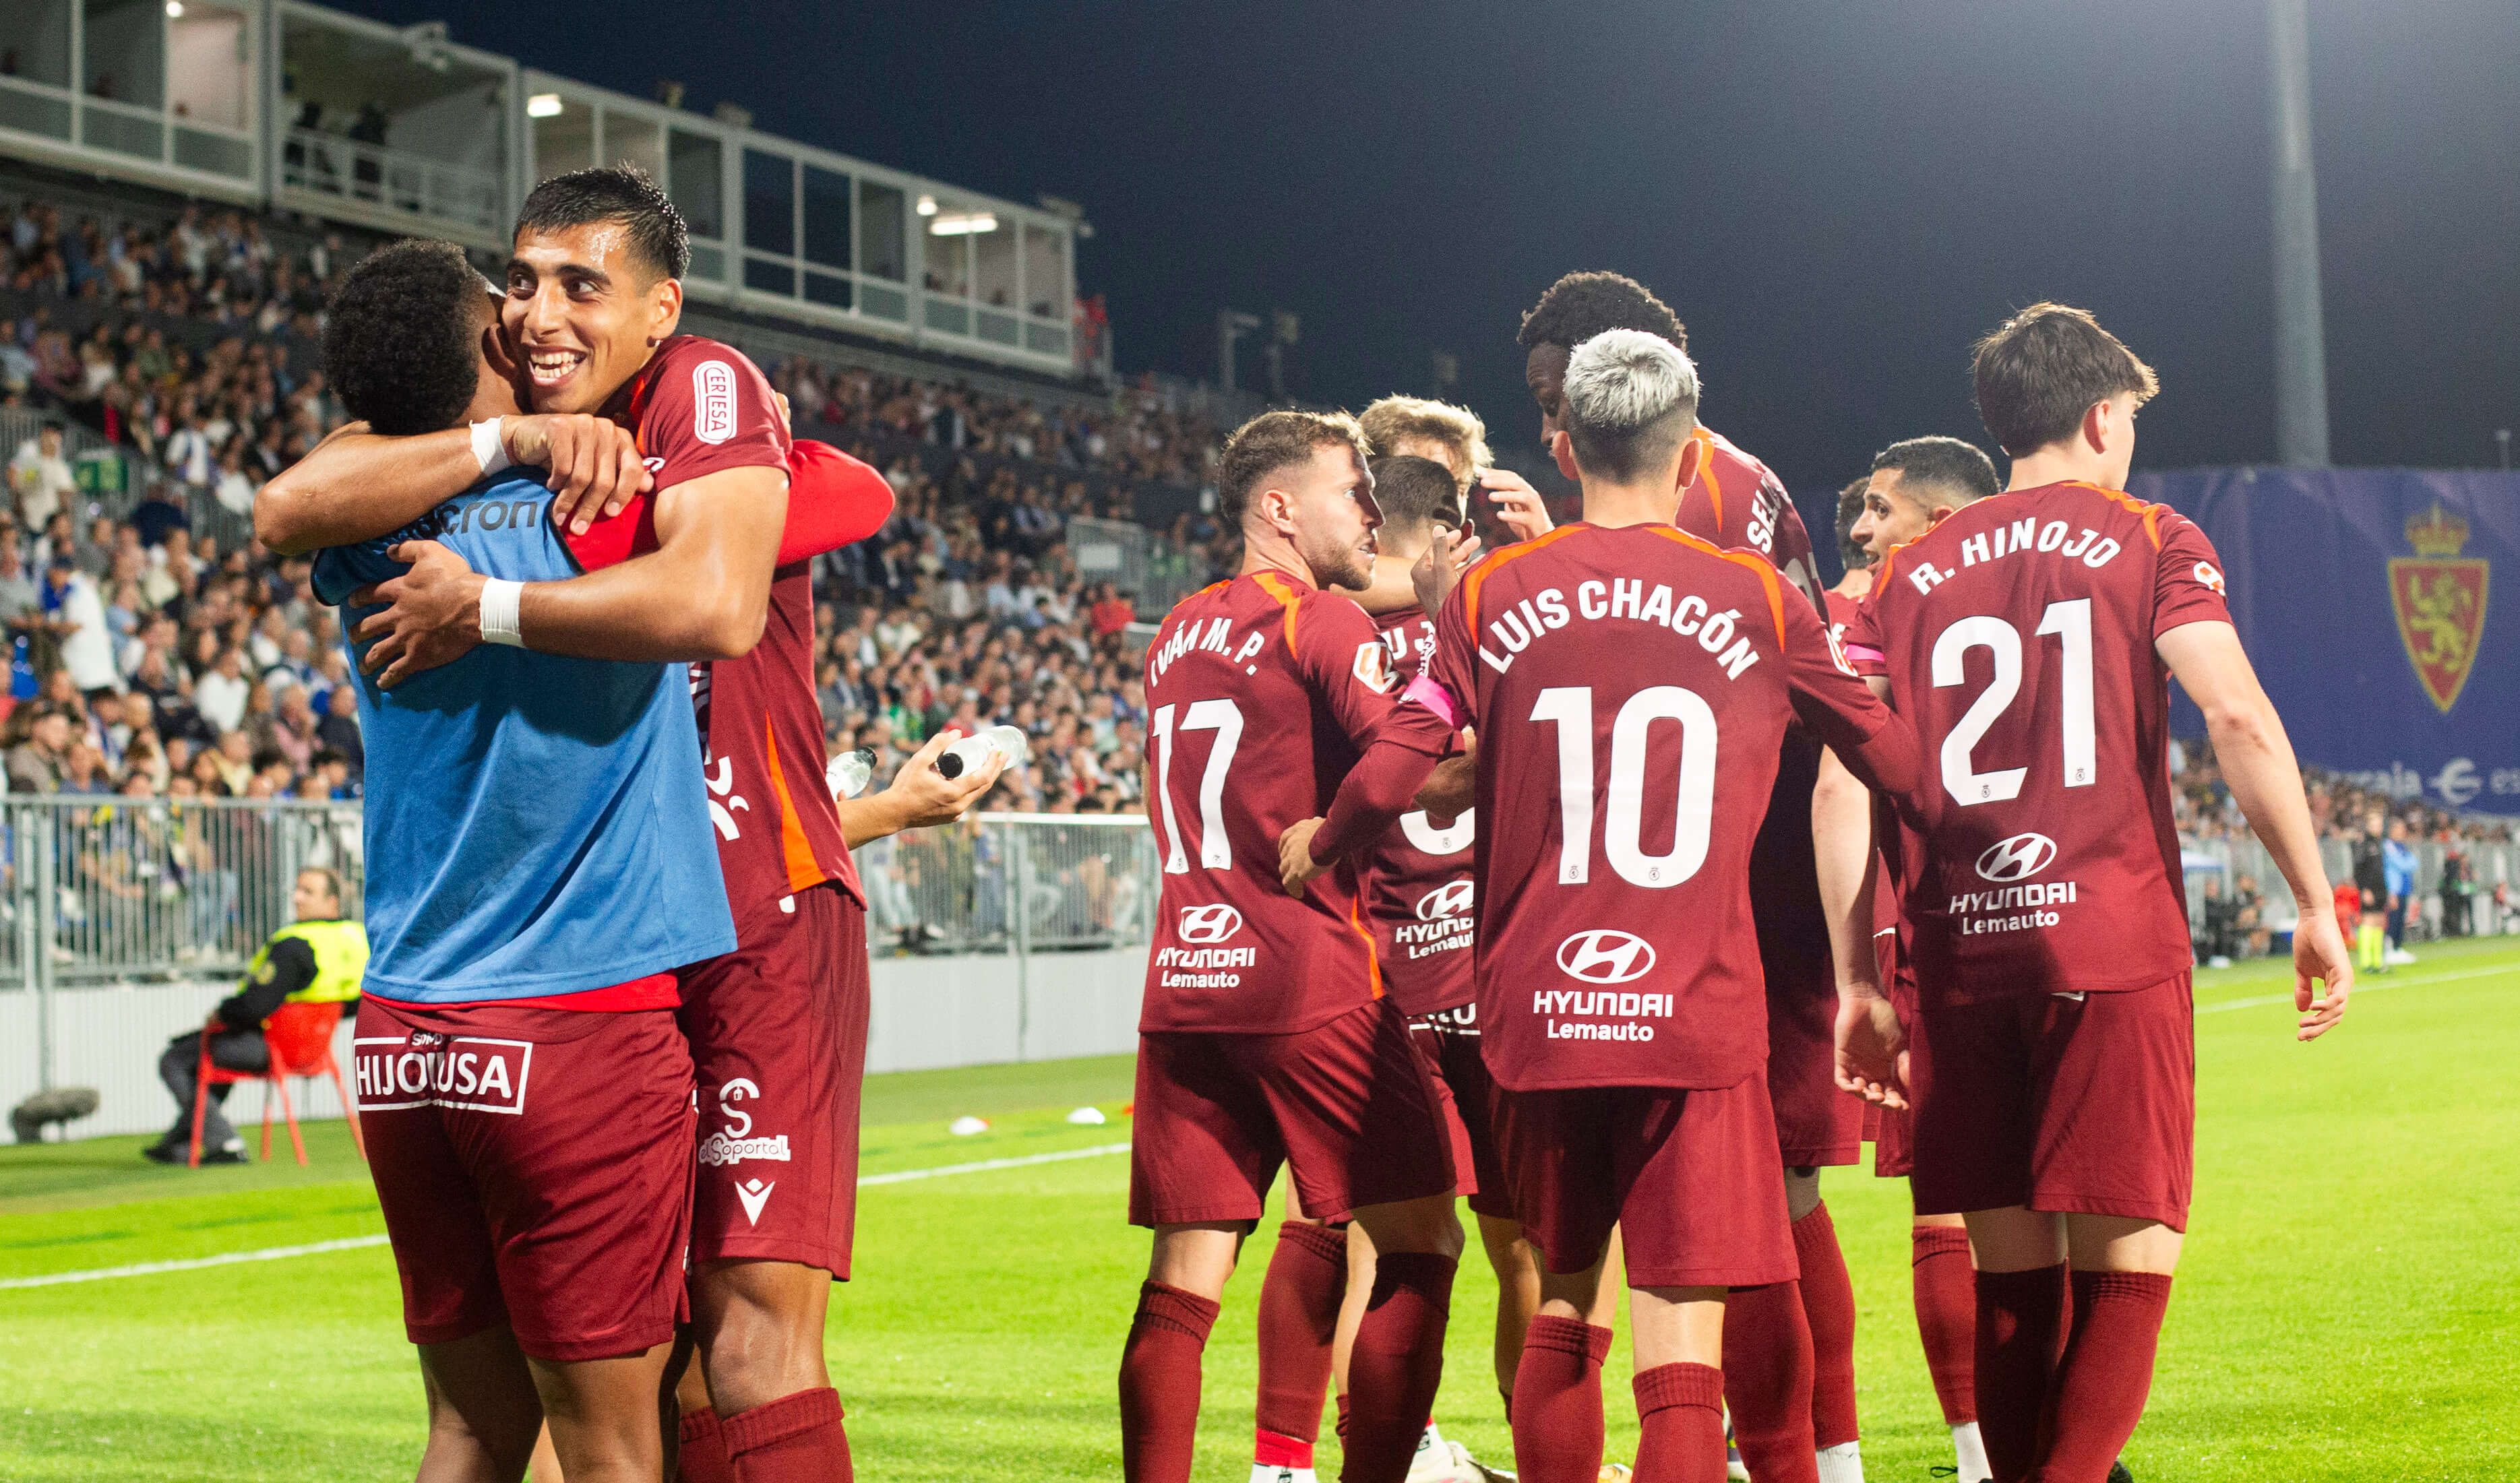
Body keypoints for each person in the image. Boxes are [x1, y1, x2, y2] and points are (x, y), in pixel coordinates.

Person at [268, 170, 918, 1483]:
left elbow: (773, 556)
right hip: (598, 981)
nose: (539, 311)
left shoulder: (698, 391)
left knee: (741, 1343)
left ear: (658, 310)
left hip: (756, 913)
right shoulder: (498, 462)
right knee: (641, 1366)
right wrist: (514, 446)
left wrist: (493, 599)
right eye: (519, 284)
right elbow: (296, 495)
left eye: (579, 284)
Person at [1291, 329, 1920, 1483]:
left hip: (1536, 1015)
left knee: (1562, 1309)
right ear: (1689, 461)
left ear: (1567, 448)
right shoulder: (1759, 599)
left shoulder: (1483, 592)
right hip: (1692, 1011)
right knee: (1679, 1335)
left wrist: (1320, 838)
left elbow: (1401, 753)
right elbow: (1888, 757)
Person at [1826, 303, 2351, 1483]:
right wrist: (2313, 901)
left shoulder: (1897, 577)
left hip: (1958, 957)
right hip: (2104, 940)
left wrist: (1859, 973)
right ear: (2102, 415)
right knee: (2126, 1272)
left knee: (2010, 1280)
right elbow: (2228, 712)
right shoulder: (2147, 534)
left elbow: (1838, 782)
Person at [1516, 271, 1851, 1483]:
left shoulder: (1719, 488)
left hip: (1737, 894)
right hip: (1656, 899)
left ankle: (1808, 1450)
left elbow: (1696, 664)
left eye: (1558, 393)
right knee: (1700, 1226)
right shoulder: (1626, 500)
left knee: (1765, 1201)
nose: (1549, 421)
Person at [1123, 409, 1464, 1483]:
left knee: (1181, 1280)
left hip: (1185, 981)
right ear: (1278, 507)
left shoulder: (1175, 631)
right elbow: (1406, 757)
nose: (1371, 510)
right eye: (1350, 491)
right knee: (1421, 1241)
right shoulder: (1315, 621)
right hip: (1308, 980)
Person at [1822, 435, 2002, 1483]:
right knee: (2025, 1200)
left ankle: (1986, 1454)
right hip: (2034, 918)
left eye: (1878, 512)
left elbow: (1840, 785)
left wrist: (1854, 973)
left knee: (1947, 1200)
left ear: (1933, 524)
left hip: (1921, 930)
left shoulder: (1863, 619)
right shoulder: (2032, 596)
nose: (1857, 530)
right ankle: (2023, 1452)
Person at [145, 866, 366, 1163]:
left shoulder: (295, 944)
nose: (296, 898)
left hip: (273, 1047)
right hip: (317, 1049)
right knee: (211, 1059)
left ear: (332, 902)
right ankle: (180, 1143)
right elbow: (358, 1000)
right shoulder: (357, 937)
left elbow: (254, 1007)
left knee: (175, 1059)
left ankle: (226, 1143)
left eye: (307, 892)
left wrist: (221, 1014)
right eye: (297, 889)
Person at [2349, 813, 2390, 974]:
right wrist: (2364, 889)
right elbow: (2358, 870)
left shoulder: (2379, 844)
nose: (2378, 828)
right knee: (2368, 921)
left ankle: (2378, 961)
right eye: (2375, 824)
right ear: (2368, 826)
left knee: (2379, 921)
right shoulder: (2364, 845)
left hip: (2380, 889)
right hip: (2369, 890)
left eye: (2380, 824)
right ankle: (2366, 963)